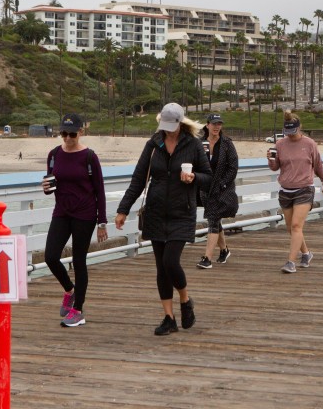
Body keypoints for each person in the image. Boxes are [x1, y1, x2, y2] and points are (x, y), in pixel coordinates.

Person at [114, 103, 211, 336]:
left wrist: (193, 177)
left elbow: (208, 177)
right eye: (165, 127)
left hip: (182, 212)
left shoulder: (193, 145)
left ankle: (186, 299)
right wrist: (123, 210)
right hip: (156, 212)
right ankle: (169, 318)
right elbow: (138, 179)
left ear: (180, 122)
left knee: (170, 261)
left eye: (172, 126)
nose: (168, 131)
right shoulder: (153, 144)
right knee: (160, 267)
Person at [42, 113, 108, 328]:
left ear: (81, 132)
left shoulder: (89, 157)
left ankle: (78, 311)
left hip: (85, 214)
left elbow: (100, 190)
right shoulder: (53, 155)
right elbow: (51, 185)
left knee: (79, 261)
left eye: (72, 134)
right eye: (63, 134)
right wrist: (45, 189)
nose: (68, 138)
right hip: (61, 212)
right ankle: (70, 291)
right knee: (50, 256)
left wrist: (102, 222)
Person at [267, 110, 323, 274]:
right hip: (285, 190)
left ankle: (290, 262)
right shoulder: (280, 144)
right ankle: (306, 253)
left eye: (292, 132)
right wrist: (270, 159)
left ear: (299, 127)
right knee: (291, 228)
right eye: (287, 132)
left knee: (296, 225)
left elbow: (318, 166)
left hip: (304, 189)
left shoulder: (310, 144)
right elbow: (275, 168)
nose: (290, 135)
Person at [196, 113, 239, 269]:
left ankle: (207, 258)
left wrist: (223, 184)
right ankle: (224, 250)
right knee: (215, 219)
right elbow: (194, 162)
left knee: (213, 219)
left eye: (219, 124)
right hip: (205, 187)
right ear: (207, 125)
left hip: (222, 188)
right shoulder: (200, 143)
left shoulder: (227, 143)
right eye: (214, 124)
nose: (217, 127)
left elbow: (233, 167)